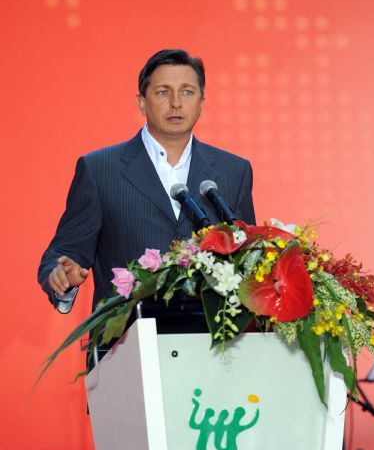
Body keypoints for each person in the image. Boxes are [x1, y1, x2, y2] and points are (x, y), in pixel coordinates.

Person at [38, 49, 256, 315]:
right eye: (163, 92)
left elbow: (248, 258)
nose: (176, 103)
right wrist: (61, 276)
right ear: (142, 102)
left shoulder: (234, 170)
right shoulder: (100, 169)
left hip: (209, 343)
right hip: (126, 340)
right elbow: (63, 251)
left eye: (187, 92)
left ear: (201, 101)